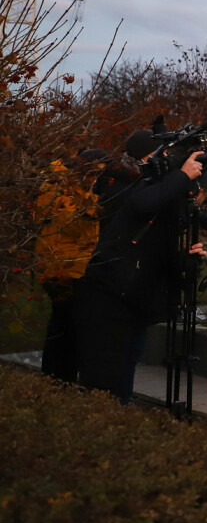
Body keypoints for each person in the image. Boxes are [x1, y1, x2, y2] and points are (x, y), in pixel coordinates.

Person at [73, 130, 207, 403]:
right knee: (104, 375)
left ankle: (119, 422)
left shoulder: (161, 200)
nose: (200, 199)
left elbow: (158, 252)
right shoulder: (132, 187)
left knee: (125, 368)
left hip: (134, 298)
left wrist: (185, 256)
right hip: (111, 294)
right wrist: (181, 176)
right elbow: (141, 204)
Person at [36, 152, 104, 382]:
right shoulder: (59, 187)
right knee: (67, 328)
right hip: (65, 269)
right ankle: (57, 380)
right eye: (95, 172)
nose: (97, 178)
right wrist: (93, 205)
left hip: (67, 266)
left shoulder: (69, 187)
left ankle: (57, 380)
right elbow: (72, 225)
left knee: (65, 327)